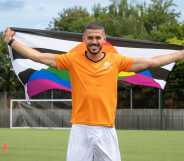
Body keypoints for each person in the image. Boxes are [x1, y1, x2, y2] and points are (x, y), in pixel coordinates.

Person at [3, 22, 184, 161]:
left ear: (104, 40)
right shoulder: (72, 59)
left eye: (98, 38)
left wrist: (180, 53)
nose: (94, 41)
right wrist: (11, 41)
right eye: (90, 38)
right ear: (84, 40)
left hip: (106, 127)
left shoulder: (117, 60)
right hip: (80, 127)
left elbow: (151, 63)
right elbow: (38, 57)